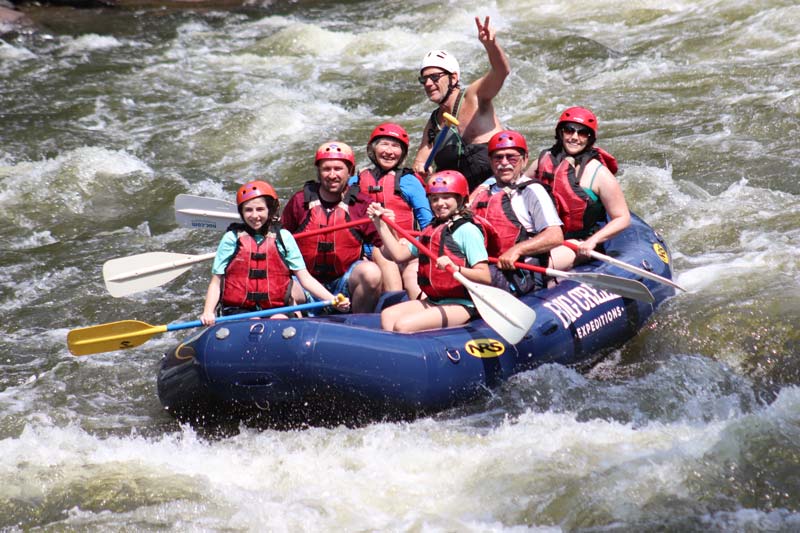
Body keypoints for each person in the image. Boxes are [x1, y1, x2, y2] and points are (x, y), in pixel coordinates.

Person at [200, 180, 350, 326]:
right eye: (248, 210)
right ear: (241, 212)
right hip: (239, 310)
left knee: (278, 321)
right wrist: (208, 312)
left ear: (270, 210)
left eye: (260, 209)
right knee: (253, 323)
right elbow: (216, 281)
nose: (254, 215)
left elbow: (304, 278)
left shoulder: (283, 237)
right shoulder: (231, 238)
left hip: (276, 308)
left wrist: (333, 299)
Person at [368, 170, 491, 333]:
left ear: (461, 199)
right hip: (434, 300)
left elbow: (484, 276)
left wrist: (457, 268)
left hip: (463, 304)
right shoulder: (431, 230)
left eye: (446, 197)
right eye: (434, 199)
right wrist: (380, 224)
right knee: (388, 316)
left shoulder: (467, 230)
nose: (439, 203)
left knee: (402, 326)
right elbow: (399, 255)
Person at [281, 141, 383, 313]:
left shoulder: (362, 204)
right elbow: (280, 244)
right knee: (282, 287)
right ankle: (297, 328)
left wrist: (384, 225)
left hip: (343, 282)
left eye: (338, 169)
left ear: (350, 171)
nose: (332, 175)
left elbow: (386, 248)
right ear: (319, 172)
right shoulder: (300, 202)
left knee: (371, 272)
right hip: (305, 281)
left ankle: (358, 326)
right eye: (326, 169)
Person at [523, 107, 630, 270]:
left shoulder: (599, 173)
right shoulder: (543, 160)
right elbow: (519, 187)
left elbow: (622, 217)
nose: (574, 137)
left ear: (589, 138)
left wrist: (592, 241)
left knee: (531, 266)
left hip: (577, 242)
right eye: (569, 131)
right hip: (543, 235)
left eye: (582, 133)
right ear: (560, 133)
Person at [411, 16, 510, 191]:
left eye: (434, 77)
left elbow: (501, 71)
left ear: (453, 77)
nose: (427, 84)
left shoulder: (474, 96)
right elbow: (420, 162)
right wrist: (421, 170)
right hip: (461, 198)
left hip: (497, 186)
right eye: (423, 79)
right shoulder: (434, 123)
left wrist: (490, 44)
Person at [470, 130, 564, 295]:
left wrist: (517, 250)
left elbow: (555, 235)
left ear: (524, 160)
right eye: (498, 157)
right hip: (487, 268)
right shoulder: (482, 193)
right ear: (490, 162)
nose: (504, 163)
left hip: (522, 274)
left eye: (511, 157)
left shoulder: (532, 191)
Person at [348, 122, 433, 298]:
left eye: (395, 146)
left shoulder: (410, 182)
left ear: (402, 153)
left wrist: (413, 245)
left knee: (410, 275)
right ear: (373, 149)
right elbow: (346, 224)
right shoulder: (354, 183)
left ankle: (418, 304)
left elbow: (428, 224)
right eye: (384, 144)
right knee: (379, 252)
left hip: (405, 250)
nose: (389, 151)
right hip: (370, 254)